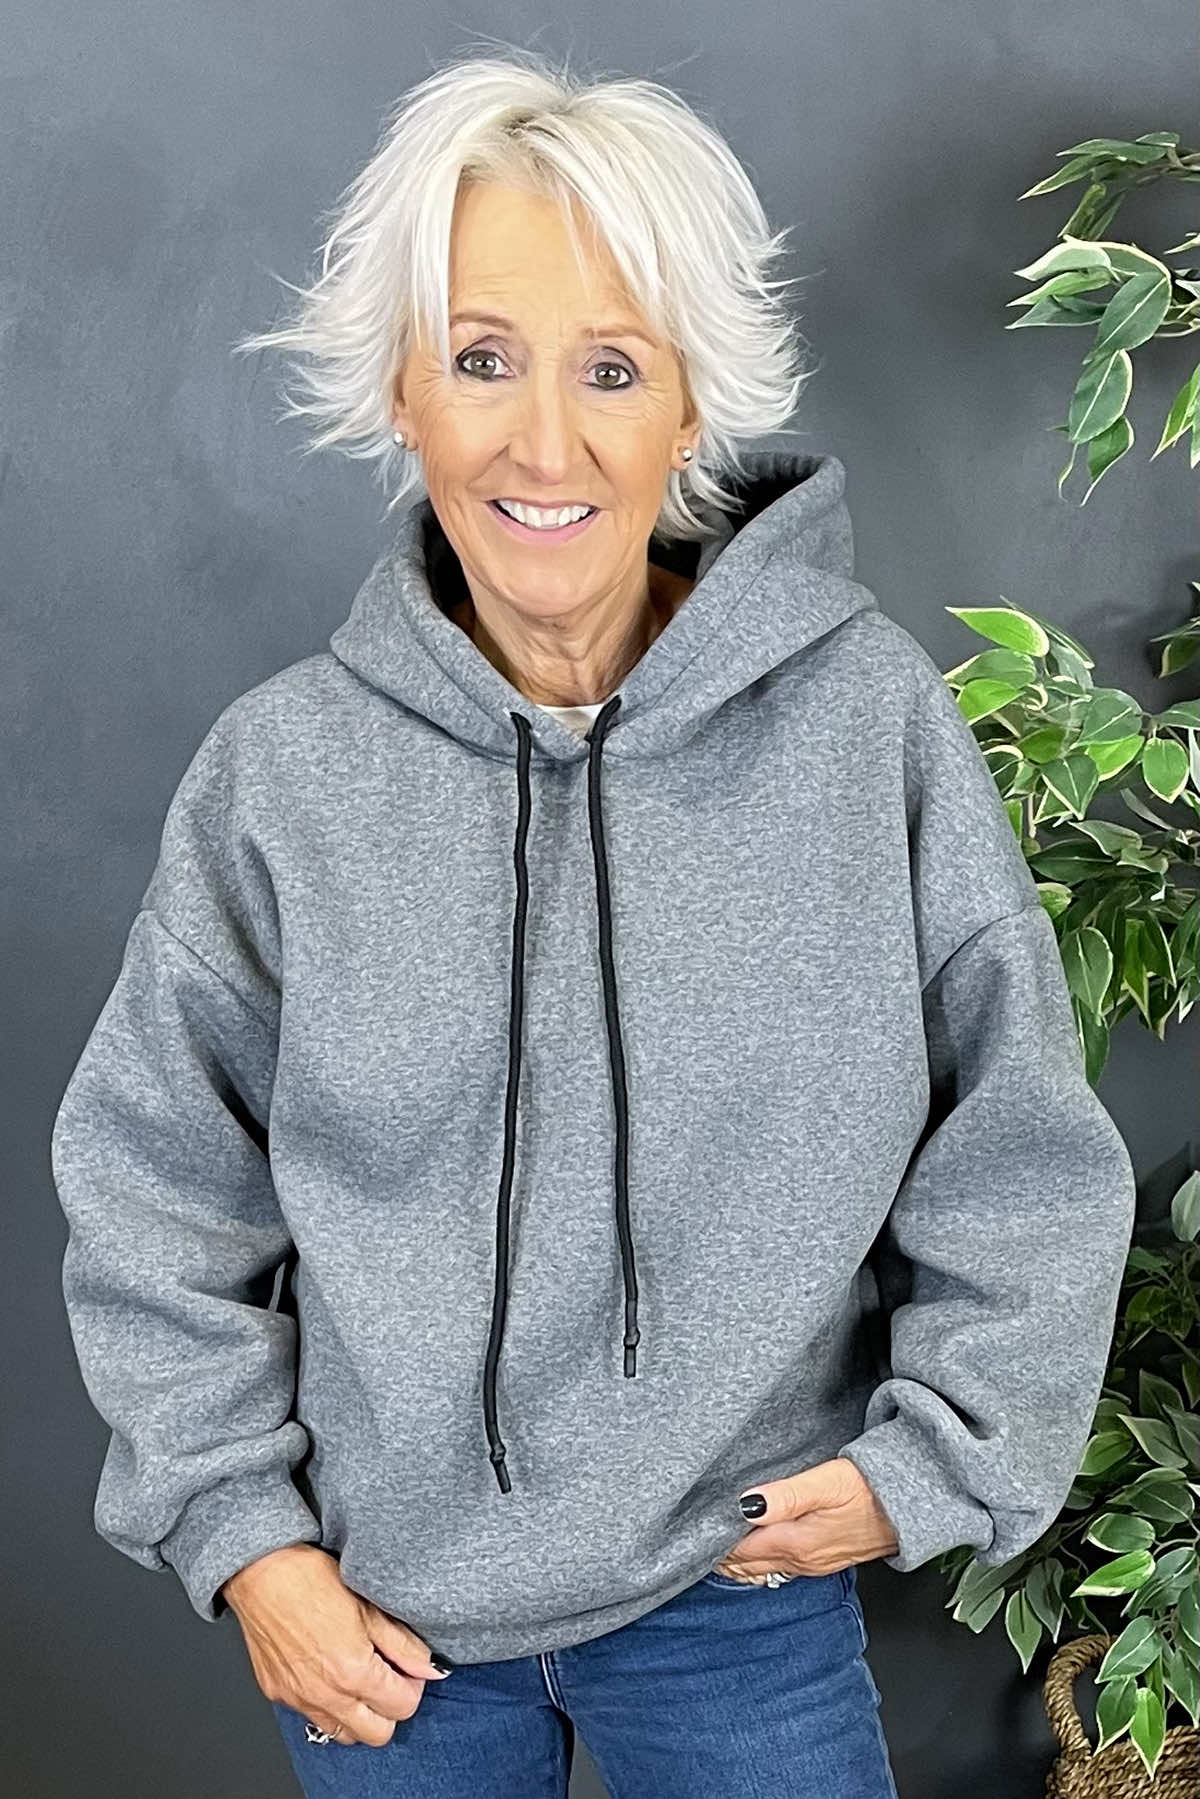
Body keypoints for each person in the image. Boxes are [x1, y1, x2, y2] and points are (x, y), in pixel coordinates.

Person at [50, 47, 1138, 1799]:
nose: (542, 441)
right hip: (381, 1622)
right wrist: (248, 1547)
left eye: (612, 369)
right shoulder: (281, 775)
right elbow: (153, 1185)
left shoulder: (864, 726)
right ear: (401, 389)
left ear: (690, 408)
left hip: (739, 1595)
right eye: (481, 358)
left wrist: (937, 1459)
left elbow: (1020, 1134)